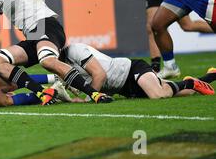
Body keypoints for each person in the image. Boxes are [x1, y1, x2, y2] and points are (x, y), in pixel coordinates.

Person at [55, 43, 214, 100]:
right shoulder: (58, 65)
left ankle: (190, 82)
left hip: (131, 69)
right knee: (185, 93)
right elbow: (68, 89)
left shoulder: (75, 50)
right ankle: (209, 75)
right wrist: (71, 99)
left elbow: (100, 75)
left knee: (157, 95)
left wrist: (91, 98)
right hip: (123, 88)